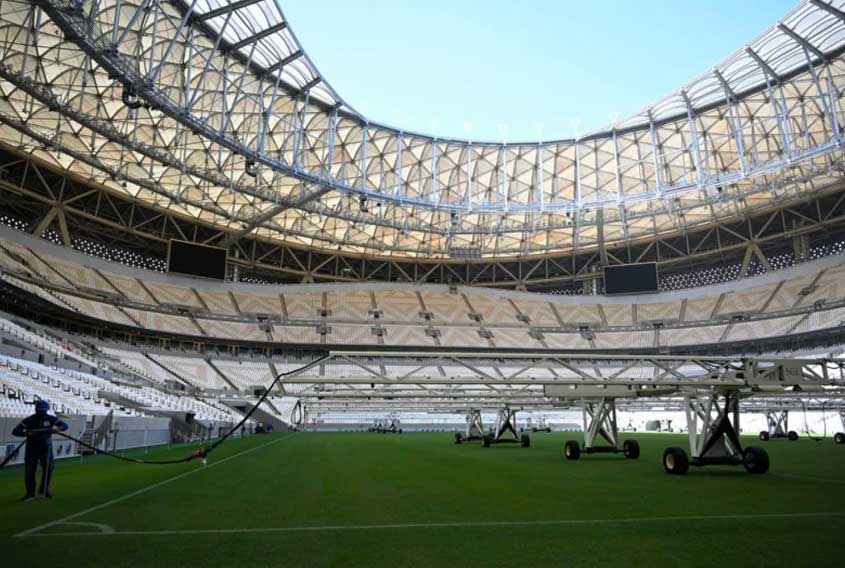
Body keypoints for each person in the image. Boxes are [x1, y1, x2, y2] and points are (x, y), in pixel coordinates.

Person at [12, 400, 69, 502]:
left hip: (46, 449)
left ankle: (43, 490)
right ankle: (30, 494)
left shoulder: (51, 419)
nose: (41, 413)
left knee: (49, 469)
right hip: (31, 449)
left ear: (47, 410)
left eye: (43, 411)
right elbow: (15, 431)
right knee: (30, 472)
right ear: (36, 409)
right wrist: (27, 434)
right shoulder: (29, 420)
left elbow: (65, 426)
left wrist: (57, 429)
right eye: (39, 410)